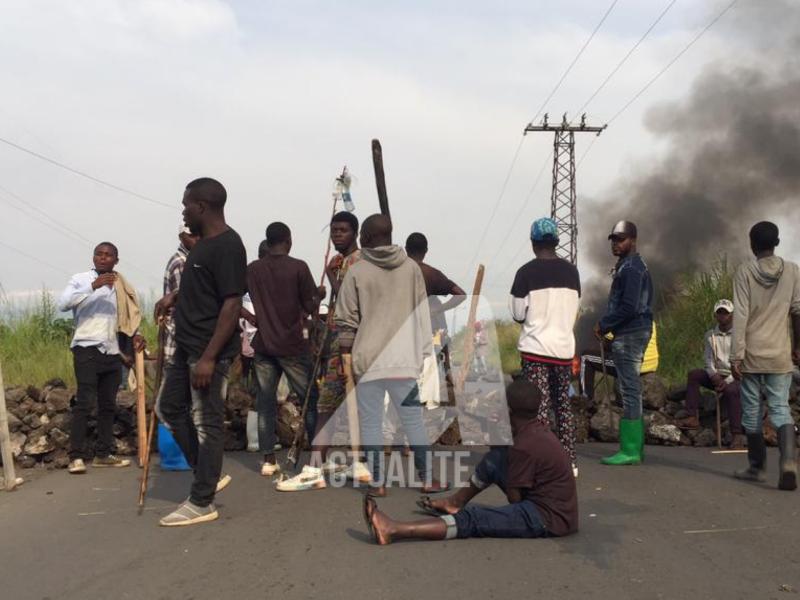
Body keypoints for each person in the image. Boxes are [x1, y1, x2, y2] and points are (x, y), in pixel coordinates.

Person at [363, 379, 578, 544]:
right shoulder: (534, 430)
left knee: (475, 518)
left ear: (508, 410)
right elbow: (499, 458)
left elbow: (515, 499)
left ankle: (395, 529)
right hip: (554, 510)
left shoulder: (524, 446)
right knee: (495, 460)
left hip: (546, 519)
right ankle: (454, 502)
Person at [154, 178, 247, 526]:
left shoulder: (228, 245)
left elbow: (232, 302)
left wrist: (209, 357)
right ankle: (206, 473)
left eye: (186, 204)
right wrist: (172, 298)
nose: (183, 210)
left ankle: (202, 500)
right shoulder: (202, 247)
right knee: (169, 408)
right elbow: (205, 287)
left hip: (208, 351)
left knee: (207, 424)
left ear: (202, 207)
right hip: (186, 347)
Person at [335, 214, 448, 496]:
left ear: (371, 238)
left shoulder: (357, 271)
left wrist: (345, 357)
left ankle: (377, 482)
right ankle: (427, 479)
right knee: (413, 421)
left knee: (371, 422)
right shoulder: (411, 269)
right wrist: (423, 352)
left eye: (362, 234)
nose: (360, 239)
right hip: (404, 360)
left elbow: (346, 320)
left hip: (368, 359)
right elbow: (422, 312)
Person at [278, 210, 372, 492]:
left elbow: (349, 298)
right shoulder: (339, 262)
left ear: (355, 233)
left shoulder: (360, 262)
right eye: (333, 230)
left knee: (328, 405)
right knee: (336, 404)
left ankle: (316, 468)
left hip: (350, 343)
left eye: (342, 230)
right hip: (334, 340)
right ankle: (356, 462)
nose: (337, 235)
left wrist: (333, 278)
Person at [58, 242, 145, 474]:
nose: (103, 258)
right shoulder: (80, 279)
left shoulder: (120, 285)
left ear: (116, 260)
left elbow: (127, 317)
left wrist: (135, 336)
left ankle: (103, 453)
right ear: (94, 257)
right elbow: (63, 304)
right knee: (85, 401)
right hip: (86, 347)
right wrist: (93, 286)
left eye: (108, 255)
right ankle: (75, 456)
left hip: (111, 350)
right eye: (99, 254)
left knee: (108, 405)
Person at [244, 222, 323, 478]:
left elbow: (232, 299)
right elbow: (311, 306)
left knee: (265, 402)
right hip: (292, 345)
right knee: (309, 398)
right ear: (288, 241)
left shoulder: (253, 270)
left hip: (264, 344)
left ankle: (269, 460)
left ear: (267, 243)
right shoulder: (298, 267)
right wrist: (320, 294)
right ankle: (316, 458)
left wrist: (250, 317)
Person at [732, 221, 800, 491]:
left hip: (752, 354)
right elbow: (798, 311)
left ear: (751, 244)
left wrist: (736, 355)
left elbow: (740, 315)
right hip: (780, 354)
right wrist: (798, 346)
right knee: (780, 408)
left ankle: (757, 468)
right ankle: (788, 463)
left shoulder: (744, 272)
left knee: (751, 412)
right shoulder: (793, 271)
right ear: (777, 242)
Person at [510, 217, 581, 475]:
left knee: (538, 409)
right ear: (556, 242)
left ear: (533, 243)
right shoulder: (572, 272)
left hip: (536, 350)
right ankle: (570, 462)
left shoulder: (525, 272)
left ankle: (541, 464)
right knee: (562, 405)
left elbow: (518, 313)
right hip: (563, 350)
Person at [594, 220, 653, 466]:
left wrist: (604, 325)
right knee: (631, 388)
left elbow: (628, 307)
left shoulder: (631, 268)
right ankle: (635, 447)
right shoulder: (632, 266)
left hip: (630, 333)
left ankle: (629, 450)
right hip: (632, 332)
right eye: (614, 240)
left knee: (629, 390)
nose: (616, 244)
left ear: (633, 240)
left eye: (621, 239)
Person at [405, 232, 466, 406]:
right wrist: (439, 309)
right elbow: (460, 295)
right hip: (426, 333)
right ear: (425, 251)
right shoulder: (431, 274)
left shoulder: (396, 272)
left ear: (406, 249)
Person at [677, 299, 745, 449]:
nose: (722, 316)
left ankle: (737, 435)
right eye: (719, 313)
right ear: (715, 315)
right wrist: (713, 375)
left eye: (725, 313)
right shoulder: (710, 335)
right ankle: (692, 416)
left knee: (731, 390)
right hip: (717, 374)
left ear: (732, 315)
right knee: (694, 375)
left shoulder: (740, 335)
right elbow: (708, 359)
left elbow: (743, 363)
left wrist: (726, 381)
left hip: (736, 375)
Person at [580, 322, 659, 402]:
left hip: (632, 365)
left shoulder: (620, 316)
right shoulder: (649, 318)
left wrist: (598, 331)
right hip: (651, 364)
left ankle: (585, 400)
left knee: (586, 357)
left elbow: (606, 342)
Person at [161, 226, 200, 366]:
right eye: (191, 235)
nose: (196, 239)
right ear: (181, 237)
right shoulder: (182, 262)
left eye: (198, 235)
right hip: (180, 335)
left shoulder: (190, 259)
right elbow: (185, 300)